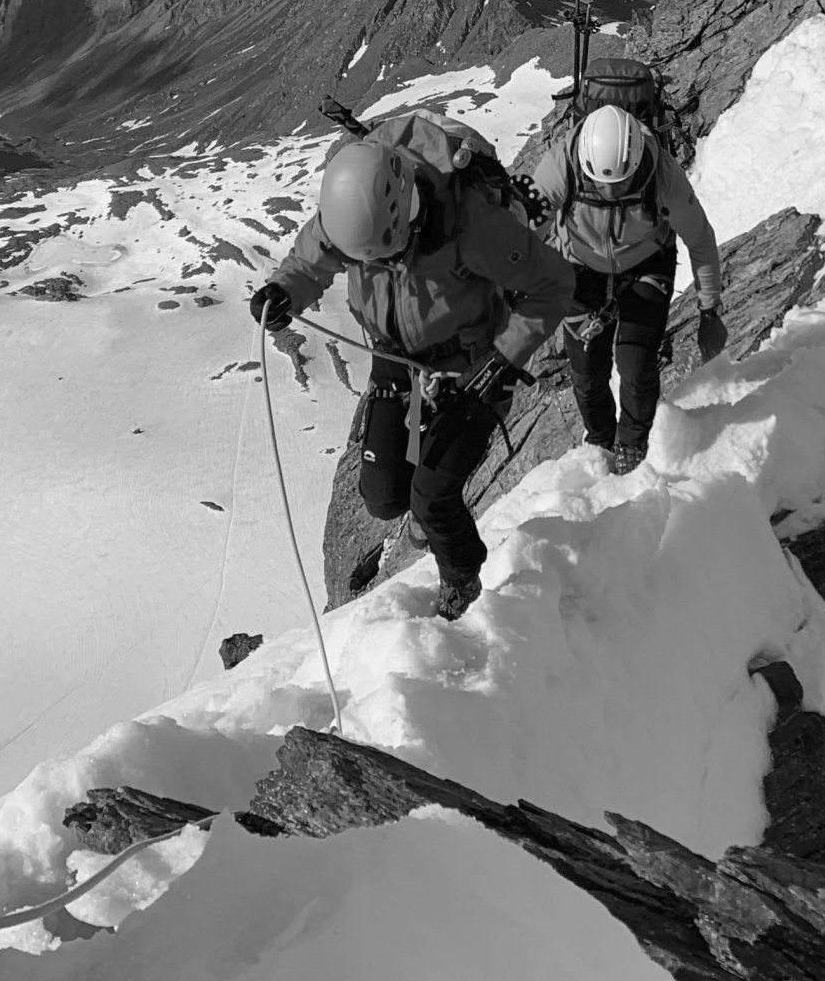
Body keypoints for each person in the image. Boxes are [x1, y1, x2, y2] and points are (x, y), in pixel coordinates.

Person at [251, 114, 580, 621]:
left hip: (473, 365)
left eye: (391, 253)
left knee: (433, 498)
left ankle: (462, 580)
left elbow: (553, 284)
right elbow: (313, 254)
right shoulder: (355, 208)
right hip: (396, 356)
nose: (384, 264)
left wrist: (501, 361)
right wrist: (286, 289)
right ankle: (429, 510)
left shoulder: (473, 225)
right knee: (383, 498)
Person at [530, 102, 725, 476]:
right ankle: (601, 442)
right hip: (579, 265)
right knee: (587, 372)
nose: (609, 190)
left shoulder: (661, 175)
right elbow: (524, 229)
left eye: (619, 183)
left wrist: (709, 308)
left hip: (646, 265)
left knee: (635, 363)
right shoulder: (561, 166)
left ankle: (633, 445)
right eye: (601, 182)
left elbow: (699, 238)